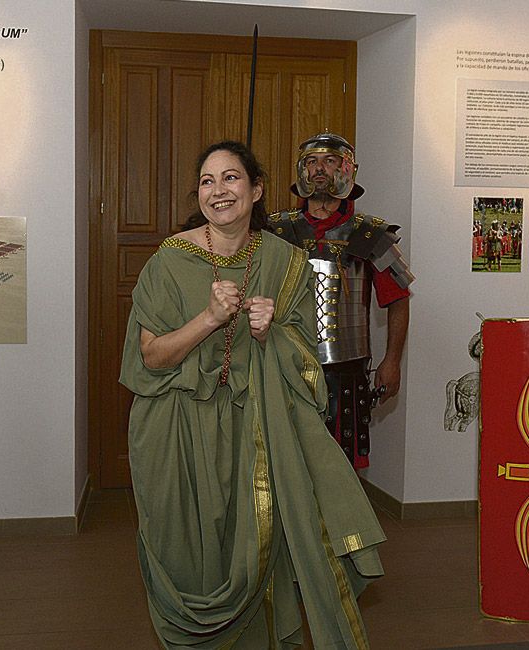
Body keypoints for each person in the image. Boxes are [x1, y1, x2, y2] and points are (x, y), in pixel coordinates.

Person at [121, 141, 385, 648]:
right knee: (187, 557)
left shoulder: (285, 262)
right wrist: (210, 319)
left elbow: (311, 367)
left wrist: (272, 334)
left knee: (257, 554)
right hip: (175, 430)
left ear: (256, 189)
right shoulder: (169, 261)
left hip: (257, 431)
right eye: (207, 181)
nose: (218, 191)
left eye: (231, 178)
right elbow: (150, 358)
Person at [267, 132, 413, 469]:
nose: (320, 169)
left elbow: (398, 299)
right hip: (285, 362)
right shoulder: (275, 231)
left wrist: (392, 361)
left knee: (340, 464)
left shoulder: (369, 233)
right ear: (301, 171)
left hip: (346, 370)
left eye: (330, 161)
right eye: (311, 162)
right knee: (286, 460)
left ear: (348, 169)